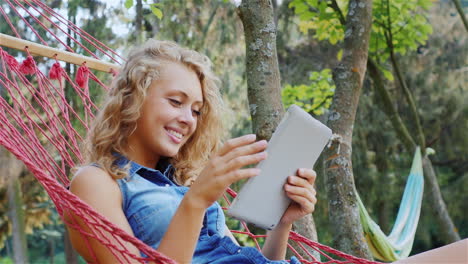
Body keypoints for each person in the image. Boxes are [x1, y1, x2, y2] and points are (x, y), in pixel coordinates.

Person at [67, 39, 317, 264]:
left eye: (196, 110)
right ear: (133, 99)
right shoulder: (96, 182)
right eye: (176, 102)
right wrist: (195, 202)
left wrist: (281, 224)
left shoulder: (183, 184)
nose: (189, 119)